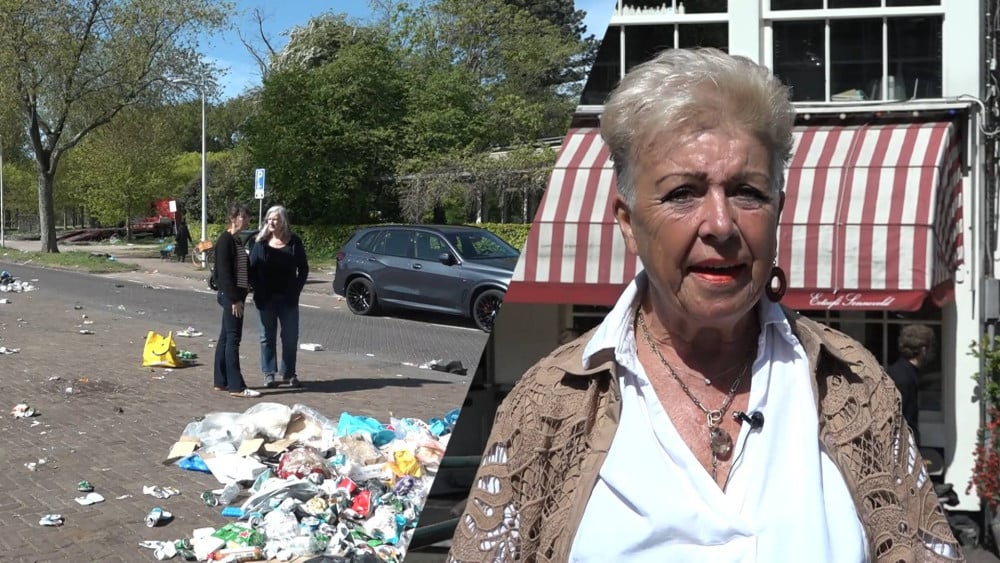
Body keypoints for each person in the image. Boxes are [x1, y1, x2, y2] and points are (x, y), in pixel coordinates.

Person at [448, 48, 963, 562]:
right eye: (683, 193)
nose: (720, 224)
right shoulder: (546, 405)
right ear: (628, 222)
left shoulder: (851, 385)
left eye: (747, 192)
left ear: (778, 212)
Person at [249, 205, 309, 389]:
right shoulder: (260, 242)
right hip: (265, 299)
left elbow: (303, 268)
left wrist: (296, 289)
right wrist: (256, 288)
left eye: (275, 219)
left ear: (283, 221)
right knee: (266, 337)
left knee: (290, 337)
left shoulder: (294, 242)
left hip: (288, 299)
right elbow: (252, 269)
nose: (271, 222)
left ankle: (289, 372)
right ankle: (269, 373)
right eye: (269, 219)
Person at [213, 203, 260, 398]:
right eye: (243, 217)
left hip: (236, 294)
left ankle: (221, 380)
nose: (247, 220)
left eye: (247, 217)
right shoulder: (225, 240)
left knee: (225, 337)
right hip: (232, 297)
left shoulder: (236, 240)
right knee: (233, 339)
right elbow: (223, 273)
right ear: (233, 218)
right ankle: (236, 386)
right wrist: (234, 298)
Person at [887, 324, 937, 448]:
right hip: (900, 445)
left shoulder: (898, 371)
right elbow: (896, 417)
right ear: (923, 350)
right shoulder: (904, 378)